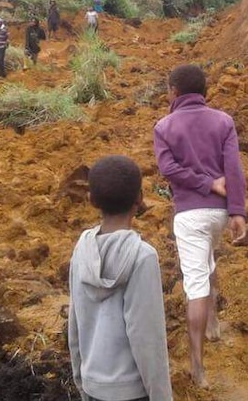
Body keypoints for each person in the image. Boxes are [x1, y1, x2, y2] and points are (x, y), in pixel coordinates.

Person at [152, 64, 247, 388]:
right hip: (219, 214)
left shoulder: (164, 126)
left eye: (167, 89)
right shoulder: (224, 121)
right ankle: (214, 325)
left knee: (195, 285)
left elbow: (168, 170)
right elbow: (233, 169)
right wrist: (238, 212)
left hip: (190, 215)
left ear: (174, 92)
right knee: (207, 260)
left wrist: (203, 184)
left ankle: (198, 367)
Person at [68, 155, 173, 401]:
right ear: (139, 198)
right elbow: (147, 338)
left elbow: (74, 324)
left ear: (91, 199)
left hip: (93, 387)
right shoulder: (142, 257)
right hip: (132, 392)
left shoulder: (81, 250)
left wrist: (81, 381)